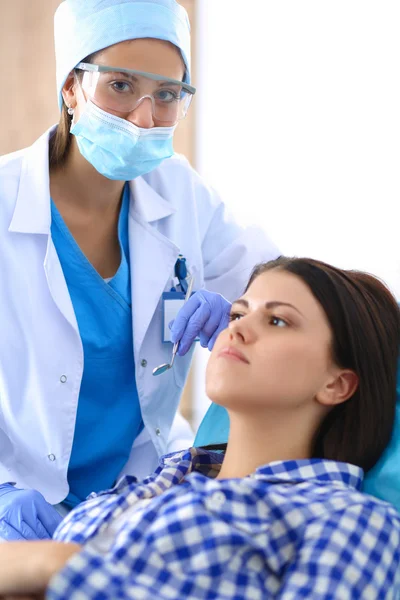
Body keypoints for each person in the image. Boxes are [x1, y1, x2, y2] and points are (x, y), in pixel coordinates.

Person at [0, 0, 279, 541]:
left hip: (143, 492)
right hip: (18, 501)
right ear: (72, 88)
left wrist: (244, 309)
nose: (144, 118)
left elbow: (283, 288)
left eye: (168, 95)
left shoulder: (181, 191)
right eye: (121, 86)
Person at [1, 256, 400, 600]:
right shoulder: (158, 484)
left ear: (336, 384)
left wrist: (54, 563)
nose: (237, 330)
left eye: (277, 320)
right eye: (238, 314)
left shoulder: (353, 521)